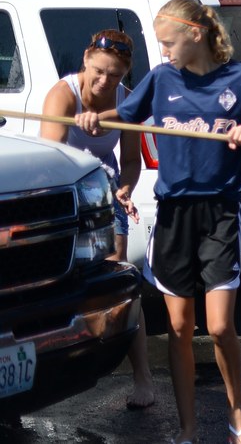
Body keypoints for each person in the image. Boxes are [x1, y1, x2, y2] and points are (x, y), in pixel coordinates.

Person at [76, 0, 241, 444]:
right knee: (181, 328)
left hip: (219, 212)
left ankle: (236, 406)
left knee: (221, 326)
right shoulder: (162, 78)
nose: (162, 51)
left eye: (168, 42)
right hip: (173, 216)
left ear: (196, 34)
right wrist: (94, 117)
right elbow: (125, 116)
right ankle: (187, 432)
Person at [40, 29, 156, 410]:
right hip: (66, 200)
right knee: (57, 289)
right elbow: (53, 162)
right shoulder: (63, 95)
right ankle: (48, 375)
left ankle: (143, 379)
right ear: (86, 60)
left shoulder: (126, 101)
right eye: (100, 71)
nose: (105, 81)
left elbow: (131, 162)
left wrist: (125, 189)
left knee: (121, 285)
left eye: (116, 75)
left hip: (106, 197)